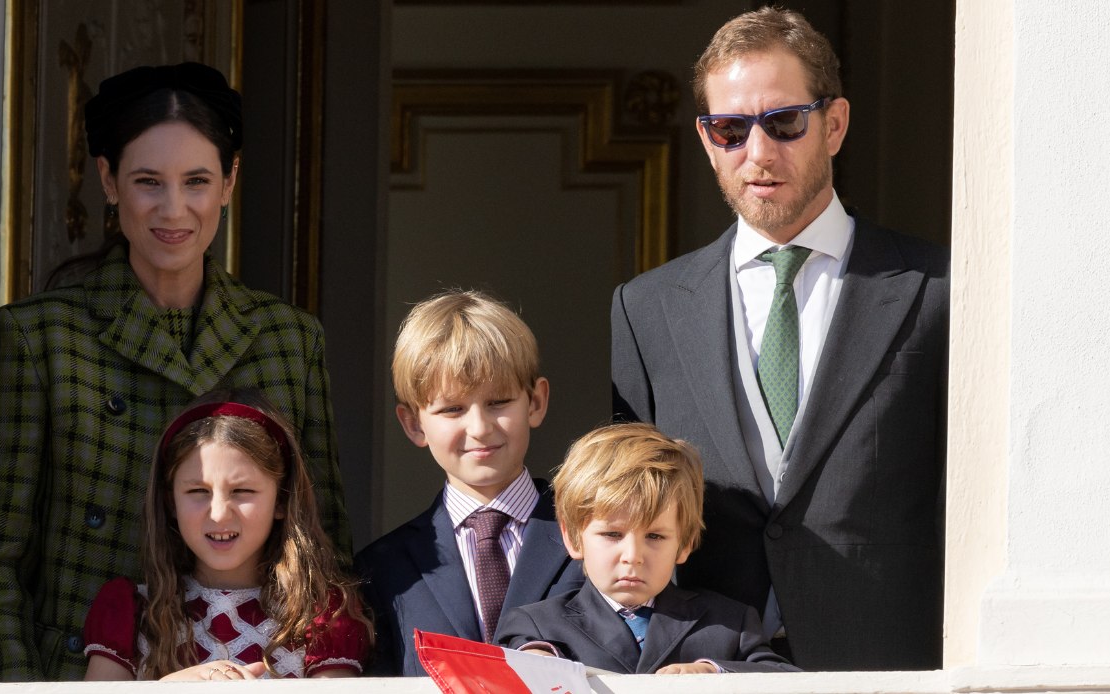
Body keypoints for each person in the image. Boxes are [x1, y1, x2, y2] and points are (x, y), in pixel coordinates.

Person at [0, 62, 351, 681]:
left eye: (197, 180)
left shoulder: (289, 340)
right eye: (148, 181)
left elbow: (324, 547)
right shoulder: (37, 338)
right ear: (108, 180)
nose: (174, 209)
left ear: (229, 182)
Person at [610, 7, 948, 671]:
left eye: (783, 122)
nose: (757, 153)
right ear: (707, 142)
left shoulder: (935, 289)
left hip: (886, 665)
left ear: (835, 125)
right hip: (706, 671)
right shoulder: (645, 309)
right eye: (730, 129)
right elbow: (626, 508)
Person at [354, 290, 584, 676]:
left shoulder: (598, 535)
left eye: (498, 402)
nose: (479, 428)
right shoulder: (382, 570)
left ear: (536, 402)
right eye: (452, 409)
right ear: (413, 424)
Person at [82, 390, 370, 680]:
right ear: (171, 502)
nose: (219, 514)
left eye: (242, 491)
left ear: (281, 500)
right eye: (198, 492)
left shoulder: (323, 618)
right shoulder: (131, 612)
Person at [495, 423, 798, 674]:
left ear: (685, 542)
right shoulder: (536, 626)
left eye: (654, 537)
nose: (633, 556)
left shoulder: (729, 623)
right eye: (613, 534)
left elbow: (785, 680)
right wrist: (535, 660)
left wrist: (713, 673)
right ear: (574, 538)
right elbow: (511, 661)